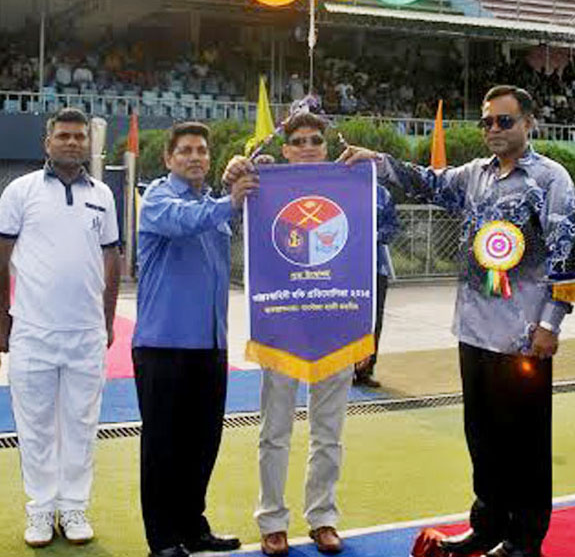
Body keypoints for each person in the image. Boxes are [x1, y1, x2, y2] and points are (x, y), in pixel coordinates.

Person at [341, 86, 575, 557]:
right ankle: (487, 526)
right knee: (483, 436)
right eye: (487, 122)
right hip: (472, 329)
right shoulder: (475, 177)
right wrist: (378, 161)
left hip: (523, 336)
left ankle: (525, 540)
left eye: (504, 121)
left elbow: (567, 259)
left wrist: (551, 324)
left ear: (529, 123)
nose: (494, 130)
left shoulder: (552, 180)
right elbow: (427, 182)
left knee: (525, 443)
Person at [226, 111, 392, 557]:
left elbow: (376, 236)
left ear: (326, 143)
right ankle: (273, 521)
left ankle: (323, 518)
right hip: (281, 325)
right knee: (274, 431)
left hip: (336, 325)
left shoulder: (354, 185)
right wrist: (235, 172)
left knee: (329, 433)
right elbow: (231, 215)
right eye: (297, 140)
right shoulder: (261, 187)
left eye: (314, 139)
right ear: (285, 148)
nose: (306, 145)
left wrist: (372, 174)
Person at [133, 122, 257, 557]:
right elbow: (185, 222)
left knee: (202, 443)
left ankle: (192, 526)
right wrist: (230, 200)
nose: (194, 157)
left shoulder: (215, 205)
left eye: (201, 151)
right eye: (184, 150)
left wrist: (252, 176)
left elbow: (242, 213)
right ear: (168, 159)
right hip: (163, 345)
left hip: (210, 344)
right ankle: (162, 538)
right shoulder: (157, 200)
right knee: (162, 446)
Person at [0, 107, 121, 547]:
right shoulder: (20, 191)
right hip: (32, 330)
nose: (72, 142)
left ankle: (72, 508)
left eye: (79, 136)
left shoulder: (103, 195)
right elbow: (2, 254)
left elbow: (111, 259)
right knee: (34, 427)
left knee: (81, 425)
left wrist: (107, 320)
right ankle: (39, 511)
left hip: (85, 333)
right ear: (46, 143)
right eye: (63, 136)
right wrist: (2, 317)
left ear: (88, 143)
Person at [353, 184, 398, 388]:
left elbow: (393, 226)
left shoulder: (382, 192)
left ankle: (365, 371)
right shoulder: (336, 186)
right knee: (344, 320)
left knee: (373, 322)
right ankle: (342, 370)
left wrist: (373, 236)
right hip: (343, 272)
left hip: (376, 269)